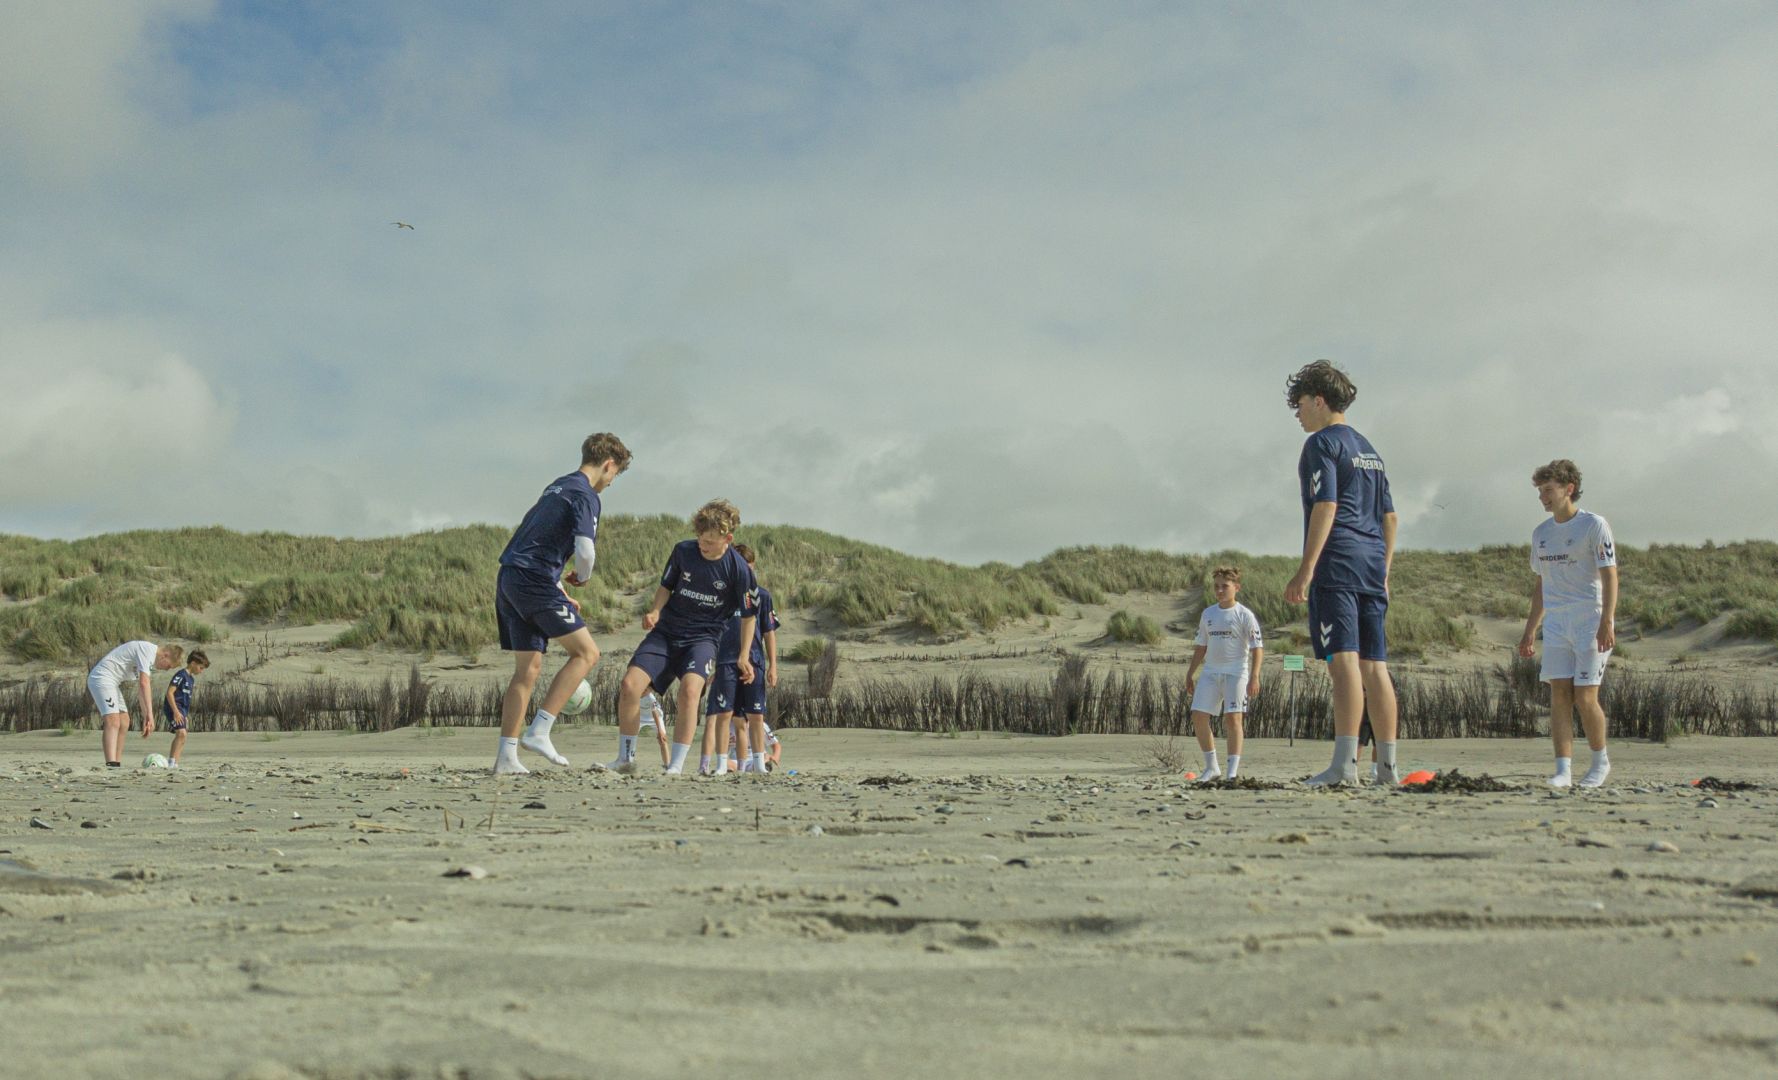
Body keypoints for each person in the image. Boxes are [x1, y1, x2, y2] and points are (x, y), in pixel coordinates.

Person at [1281, 360, 1401, 787]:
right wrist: (1384, 571)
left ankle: (1344, 766)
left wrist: (1306, 569)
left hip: (1338, 561)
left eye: (1299, 404)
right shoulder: (1369, 449)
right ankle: (1386, 769)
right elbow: (1390, 517)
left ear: (1318, 400)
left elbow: (1326, 505)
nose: (1297, 414)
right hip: (1371, 563)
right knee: (1375, 666)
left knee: (1343, 661)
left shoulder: (1321, 443)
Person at [491, 433, 631, 775]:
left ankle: (506, 757)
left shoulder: (557, 486)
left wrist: (557, 587)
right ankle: (540, 730)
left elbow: (534, 540)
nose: (611, 482)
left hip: (510, 578)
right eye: (615, 474)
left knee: (527, 670)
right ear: (608, 465)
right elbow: (585, 550)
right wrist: (582, 578)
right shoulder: (586, 495)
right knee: (587, 653)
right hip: (533, 580)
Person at [605, 500, 758, 775]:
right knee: (630, 685)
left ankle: (675, 766)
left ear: (727, 539)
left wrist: (744, 656)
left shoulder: (739, 570)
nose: (703, 544)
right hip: (666, 632)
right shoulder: (683, 551)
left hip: (703, 639)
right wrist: (655, 610)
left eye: (709, 541)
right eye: (700, 538)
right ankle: (625, 759)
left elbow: (749, 617)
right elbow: (666, 586)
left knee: (689, 691)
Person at [1517, 459, 1618, 788]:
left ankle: (1600, 763)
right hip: (1557, 623)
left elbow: (1610, 575)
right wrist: (1530, 630)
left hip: (1589, 617)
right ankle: (1563, 770)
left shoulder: (1593, 525)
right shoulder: (1541, 534)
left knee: (1585, 696)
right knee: (1559, 694)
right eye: (1540, 491)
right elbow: (1541, 584)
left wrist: (1607, 621)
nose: (1543, 497)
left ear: (1569, 489)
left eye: (1548, 490)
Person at [702, 543, 780, 775]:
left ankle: (758, 765)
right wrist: (712, 665)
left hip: (754, 662)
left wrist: (773, 666)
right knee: (725, 714)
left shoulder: (762, 596)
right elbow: (711, 631)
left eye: (750, 568)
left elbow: (769, 632)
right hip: (726, 661)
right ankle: (721, 765)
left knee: (755, 715)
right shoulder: (720, 596)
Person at [1184, 566, 1263, 782]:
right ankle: (1212, 768)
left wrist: (1255, 676)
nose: (1220, 591)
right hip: (1211, 672)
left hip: (1236, 673)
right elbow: (1201, 646)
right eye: (1216, 586)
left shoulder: (1244, 615)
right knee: (1198, 715)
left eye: (1225, 586)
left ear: (1236, 587)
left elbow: (1257, 647)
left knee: (1233, 719)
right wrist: (1190, 673)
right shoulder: (1208, 613)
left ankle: (1232, 772)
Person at [88, 640, 183, 767]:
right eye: (169, 666)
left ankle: (116, 763)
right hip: (101, 678)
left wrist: (146, 717)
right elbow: (144, 683)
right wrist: (150, 715)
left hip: (113, 683)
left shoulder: (149, 662)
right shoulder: (147, 650)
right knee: (113, 721)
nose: (167, 669)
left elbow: (141, 691)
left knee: (124, 721)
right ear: (165, 655)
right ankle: (111, 764)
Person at [162, 649, 209, 766]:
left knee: (183, 736)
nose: (201, 671)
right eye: (200, 667)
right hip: (173, 707)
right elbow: (169, 693)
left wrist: (185, 715)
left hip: (182, 710)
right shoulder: (181, 675)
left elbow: (186, 699)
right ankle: (171, 763)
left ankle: (175, 763)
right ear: (193, 663)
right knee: (181, 733)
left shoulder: (191, 679)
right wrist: (175, 712)